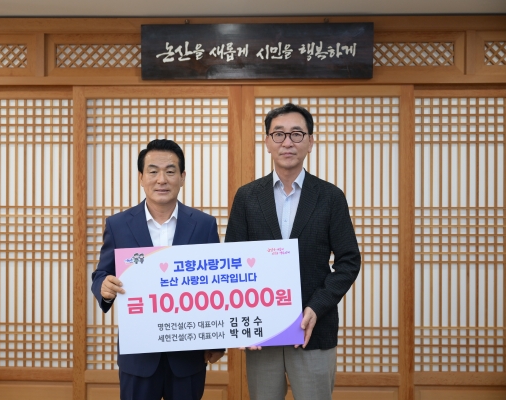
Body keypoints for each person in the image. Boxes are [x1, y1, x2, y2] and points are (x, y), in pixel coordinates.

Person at [225, 103, 361, 400]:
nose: (287, 142)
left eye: (297, 134)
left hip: (313, 328)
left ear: (310, 141)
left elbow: (349, 261)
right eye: (279, 134)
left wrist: (316, 307)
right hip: (263, 332)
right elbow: (232, 261)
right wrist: (243, 319)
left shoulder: (330, 197)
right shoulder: (247, 197)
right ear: (267, 142)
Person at [91, 139, 225, 400]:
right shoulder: (118, 225)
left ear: (182, 177)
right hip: (138, 356)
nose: (161, 179)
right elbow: (101, 274)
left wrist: (217, 343)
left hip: (188, 355)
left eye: (170, 171)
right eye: (153, 171)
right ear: (141, 177)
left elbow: (216, 285)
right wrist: (104, 287)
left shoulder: (204, 224)